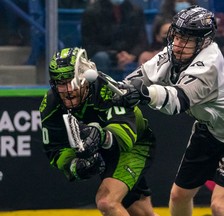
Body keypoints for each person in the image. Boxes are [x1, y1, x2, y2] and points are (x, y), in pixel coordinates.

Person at [112, 6, 224, 216]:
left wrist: (145, 93)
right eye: (176, 36)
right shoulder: (173, 51)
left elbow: (179, 101)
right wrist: (118, 90)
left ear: (203, 42)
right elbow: (137, 79)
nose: (178, 44)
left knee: (220, 207)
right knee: (179, 196)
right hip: (209, 128)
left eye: (187, 39)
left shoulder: (210, 64)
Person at [39, 47, 157, 216]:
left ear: (83, 78)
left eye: (70, 81)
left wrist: (100, 135)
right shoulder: (51, 104)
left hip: (135, 144)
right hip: (106, 152)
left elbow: (126, 136)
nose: (66, 90)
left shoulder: (106, 88)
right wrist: (74, 166)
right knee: (143, 213)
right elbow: (55, 149)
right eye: (59, 83)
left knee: (107, 202)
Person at [81, 0, 149, 81]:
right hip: (105, 55)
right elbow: (89, 45)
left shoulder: (136, 11)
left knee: (146, 56)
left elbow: (142, 41)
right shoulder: (91, 12)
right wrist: (115, 55)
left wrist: (132, 55)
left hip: (130, 55)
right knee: (101, 57)